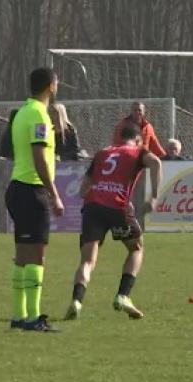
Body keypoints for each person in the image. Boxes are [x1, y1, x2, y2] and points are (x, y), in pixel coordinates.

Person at [64, 125, 162, 321]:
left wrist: (98, 194)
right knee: (136, 249)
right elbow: (156, 163)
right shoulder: (138, 151)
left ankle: (76, 301)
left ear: (119, 138)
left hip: (93, 208)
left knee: (87, 261)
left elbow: (83, 189)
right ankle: (123, 296)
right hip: (118, 207)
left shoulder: (102, 153)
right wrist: (154, 197)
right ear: (138, 140)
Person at [5, 67, 63, 332]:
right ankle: (33, 318)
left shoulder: (22, 112)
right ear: (51, 85)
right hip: (31, 190)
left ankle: (19, 316)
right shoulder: (39, 114)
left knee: (22, 255)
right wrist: (54, 194)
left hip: (17, 188)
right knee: (36, 256)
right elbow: (39, 157)